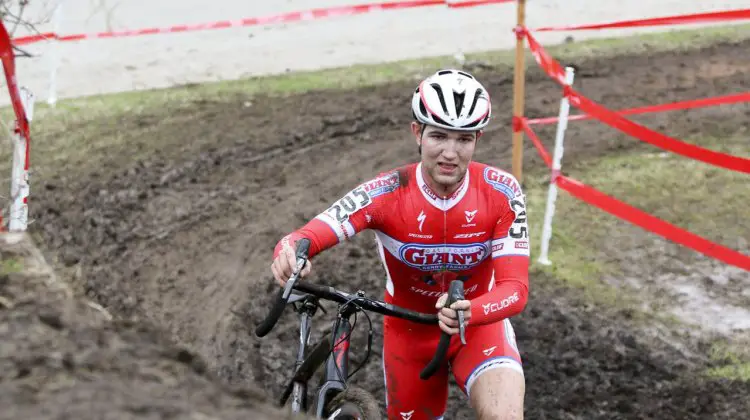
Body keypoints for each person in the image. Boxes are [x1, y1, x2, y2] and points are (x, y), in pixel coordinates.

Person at [270, 69, 529, 420]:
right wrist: (289, 254)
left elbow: (515, 288)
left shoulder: (502, 192)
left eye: (464, 139)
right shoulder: (387, 192)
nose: (450, 153)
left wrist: (472, 311)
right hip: (408, 334)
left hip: (480, 327)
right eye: (439, 136)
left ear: (477, 139)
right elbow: (307, 235)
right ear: (417, 133)